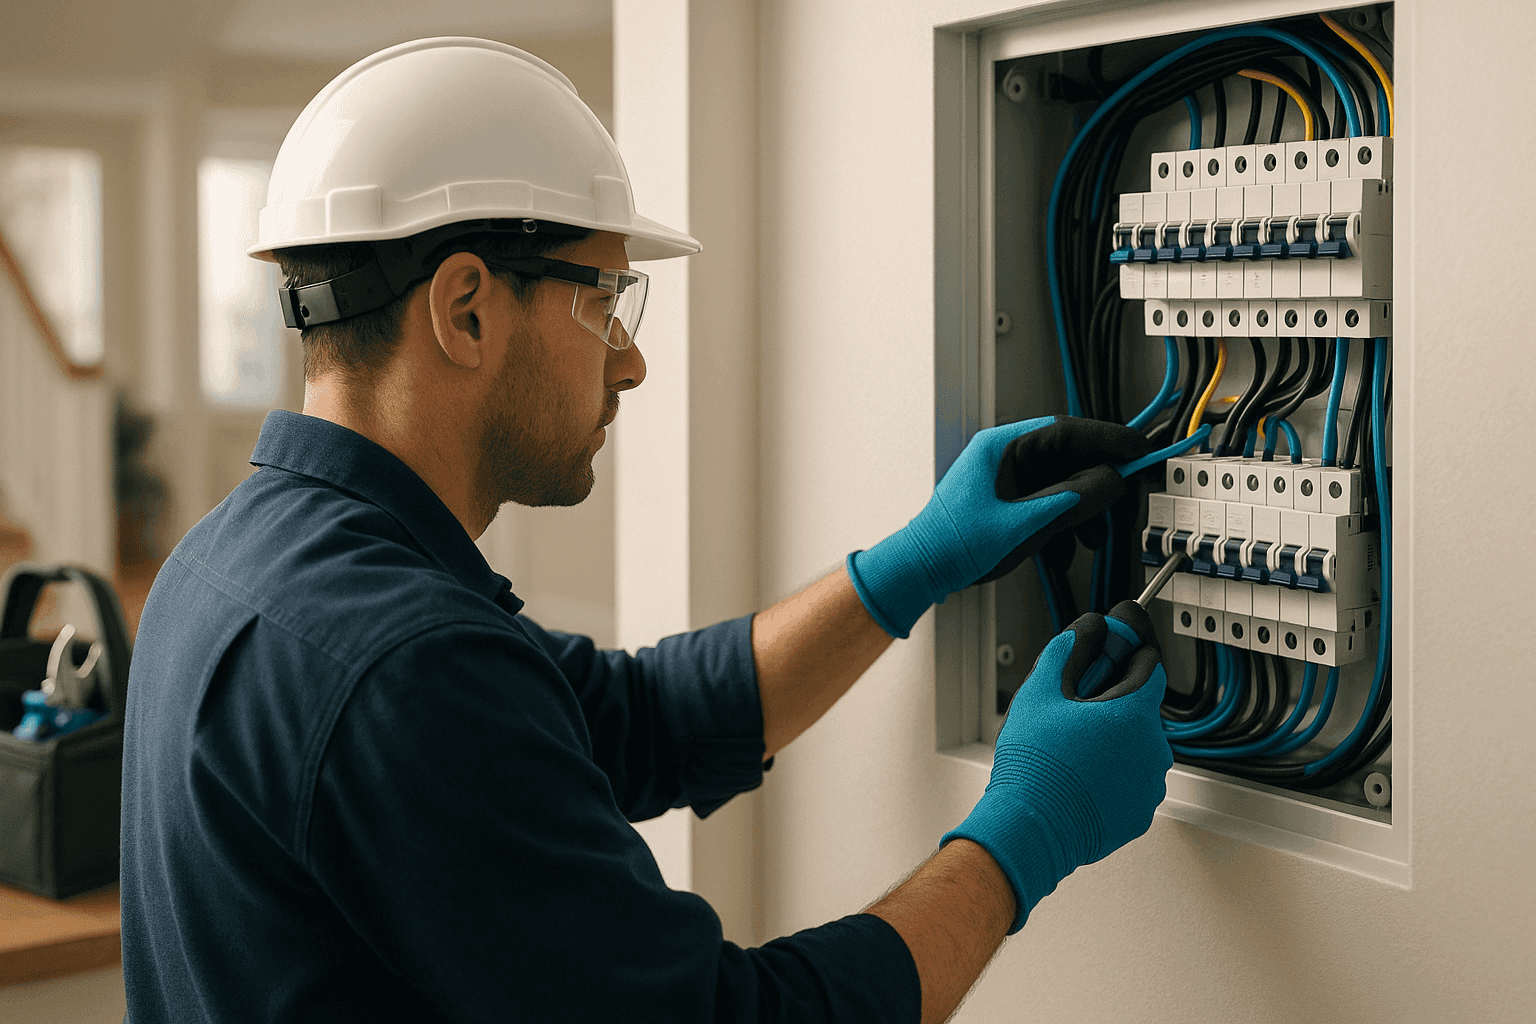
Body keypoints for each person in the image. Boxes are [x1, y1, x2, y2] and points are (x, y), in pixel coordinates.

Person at [120, 37, 1172, 1024]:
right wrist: (1027, 825)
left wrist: (910, 564)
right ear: (465, 310)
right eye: (604, 299)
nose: (629, 361)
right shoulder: (401, 664)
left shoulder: (228, 566)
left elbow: (638, 719)